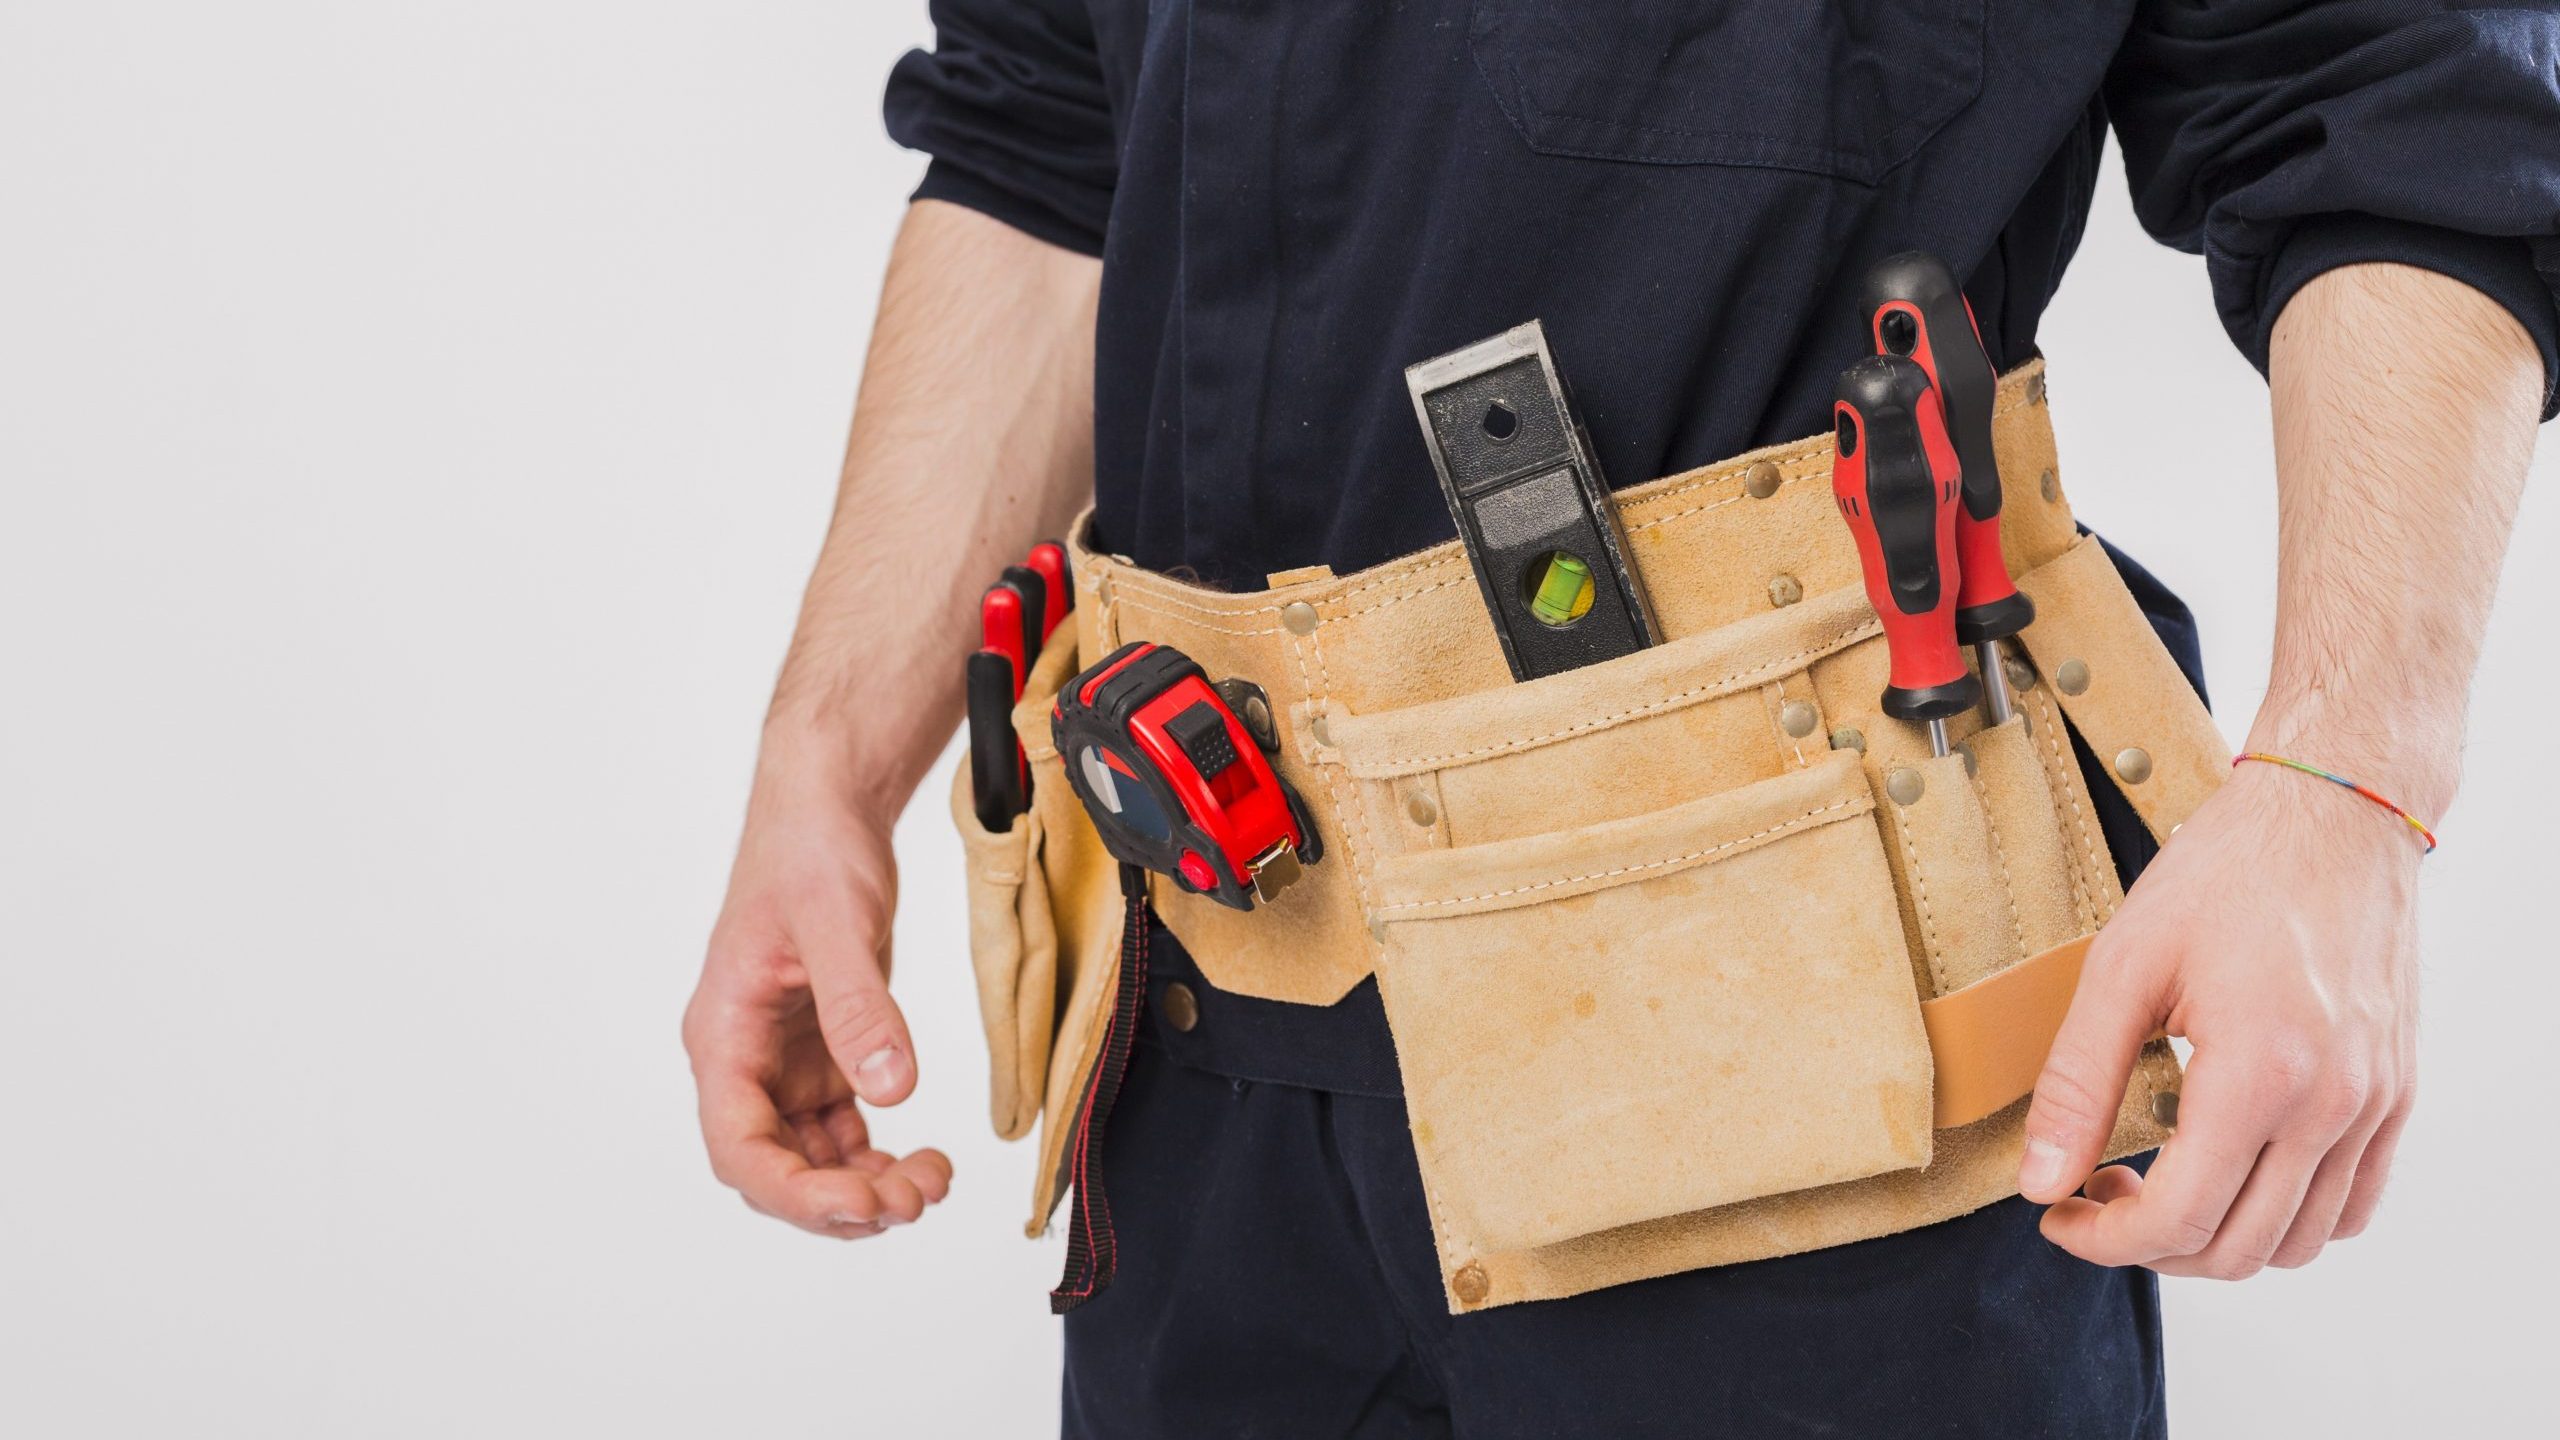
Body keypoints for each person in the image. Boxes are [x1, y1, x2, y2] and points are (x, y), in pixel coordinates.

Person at [682, 3, 2557, 1433]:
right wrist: (826, 763)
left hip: (1797, 1084)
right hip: (1203, 1055)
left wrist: (2346, 784)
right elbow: (1050, 145)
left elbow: (2386, 102)